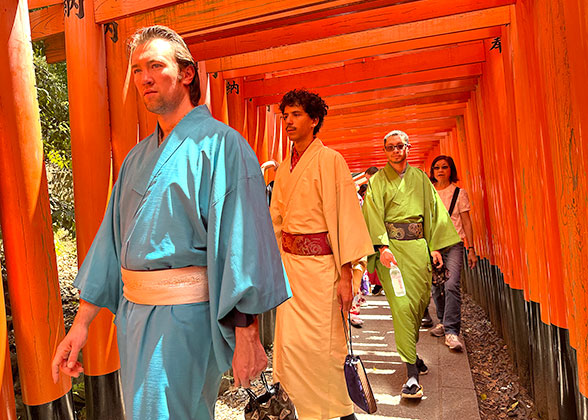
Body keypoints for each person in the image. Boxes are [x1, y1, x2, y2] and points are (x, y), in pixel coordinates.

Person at [50, 25, 290, 420]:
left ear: (186, 73)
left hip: (186, 321)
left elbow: (241, 244)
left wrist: (248, 335)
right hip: (134, 317)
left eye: (156, 65)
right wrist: (80, 327)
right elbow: (110, 246)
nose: (144, 77)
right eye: (137, 69)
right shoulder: (135, 159)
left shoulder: (224, 146)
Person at [270, 89, 373, 420]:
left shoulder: (331, 161)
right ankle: (297, 410)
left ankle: (341, 414)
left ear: (314, 120)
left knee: (326, 350)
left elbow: (345, 219)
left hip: (322, 272)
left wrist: (347, 276)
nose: (288, 121)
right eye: (285, 115)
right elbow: (276, 222)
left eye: (296, 114)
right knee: (290, 349)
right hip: (290, 271)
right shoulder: (284, 168)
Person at [362, 130, 460, 399]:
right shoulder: (378, 182)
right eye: (390, 147)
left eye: (399, 146)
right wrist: (381, 246)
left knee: (418, 305)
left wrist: (435, 246)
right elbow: (371, 214)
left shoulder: (419, 178)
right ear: (384, 151)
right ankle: (411, 376)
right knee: (403, 307)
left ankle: (412, 356)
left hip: (418, 249)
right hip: (391, 252)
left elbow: (434, 212)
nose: (395, 151)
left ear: (408, 148)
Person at [428, 155, 478, 351]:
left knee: (451, 285)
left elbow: (466, 221)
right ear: (432, 171)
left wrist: (471, 248)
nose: (440, 170)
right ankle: (442, 321)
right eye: (437, 167)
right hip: (433, 245)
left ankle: (451, 331)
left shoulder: (459, 193)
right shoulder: (428, 192)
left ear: (451, 170)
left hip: (455, 243)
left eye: (444, 167)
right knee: (436, 287)